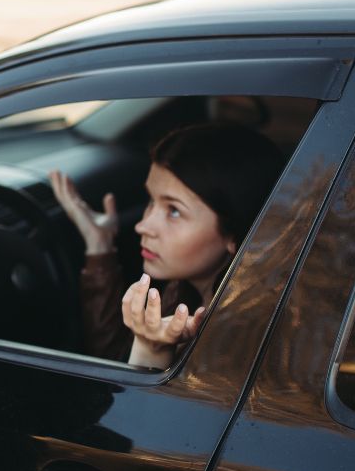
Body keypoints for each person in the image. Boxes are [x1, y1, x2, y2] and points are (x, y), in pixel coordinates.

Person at [49, 122, 285, 368]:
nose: (143, 226)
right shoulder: (184, 289)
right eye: (152, 200)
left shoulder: (237, 345)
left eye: (173, 211)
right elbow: (116, 358)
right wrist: (99, 244)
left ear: (236, 235)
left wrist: (152, 352)